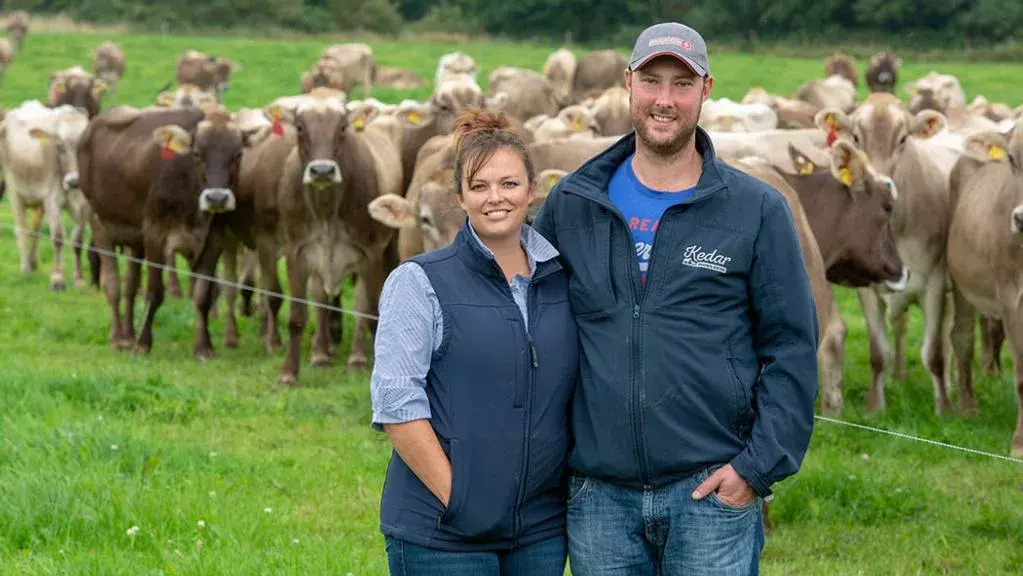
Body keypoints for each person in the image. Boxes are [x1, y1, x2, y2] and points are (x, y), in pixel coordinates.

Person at [532, 22, 820, 575]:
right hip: (598, 498)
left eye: (682, 84)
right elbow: (529, 323)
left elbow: (792, 346)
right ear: (628, 83)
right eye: (652, 81)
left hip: (710, 493)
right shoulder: (573, 203)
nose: (664, 99)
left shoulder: (756, 210)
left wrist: (756, 468)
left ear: (706, 90)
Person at [369, 108, 579, 575]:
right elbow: (397, 403)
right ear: (460, 198)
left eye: (509, 183)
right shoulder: (419, 281)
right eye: (479, 186)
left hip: (540, 531)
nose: (495, 198)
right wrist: (460, 501)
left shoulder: (561, 279)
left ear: (533, 190)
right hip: (444, 532)